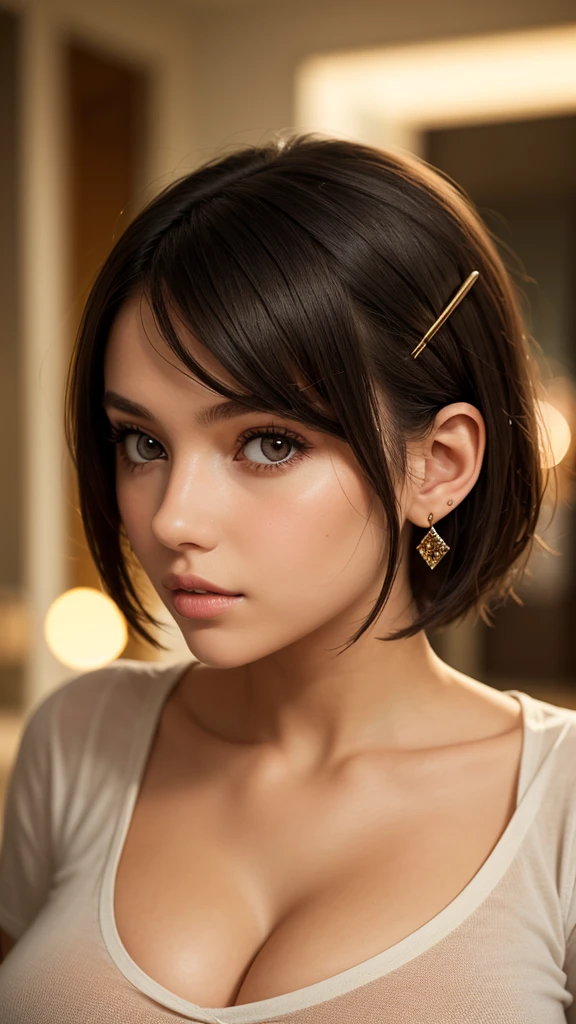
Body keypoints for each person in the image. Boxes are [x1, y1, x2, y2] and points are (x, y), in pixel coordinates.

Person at [1, 132, 575, 1023]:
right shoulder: (77, 743)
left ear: (440, 466)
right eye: (143, 442)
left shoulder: (559, 812)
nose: (172, 518)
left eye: (269, 443)